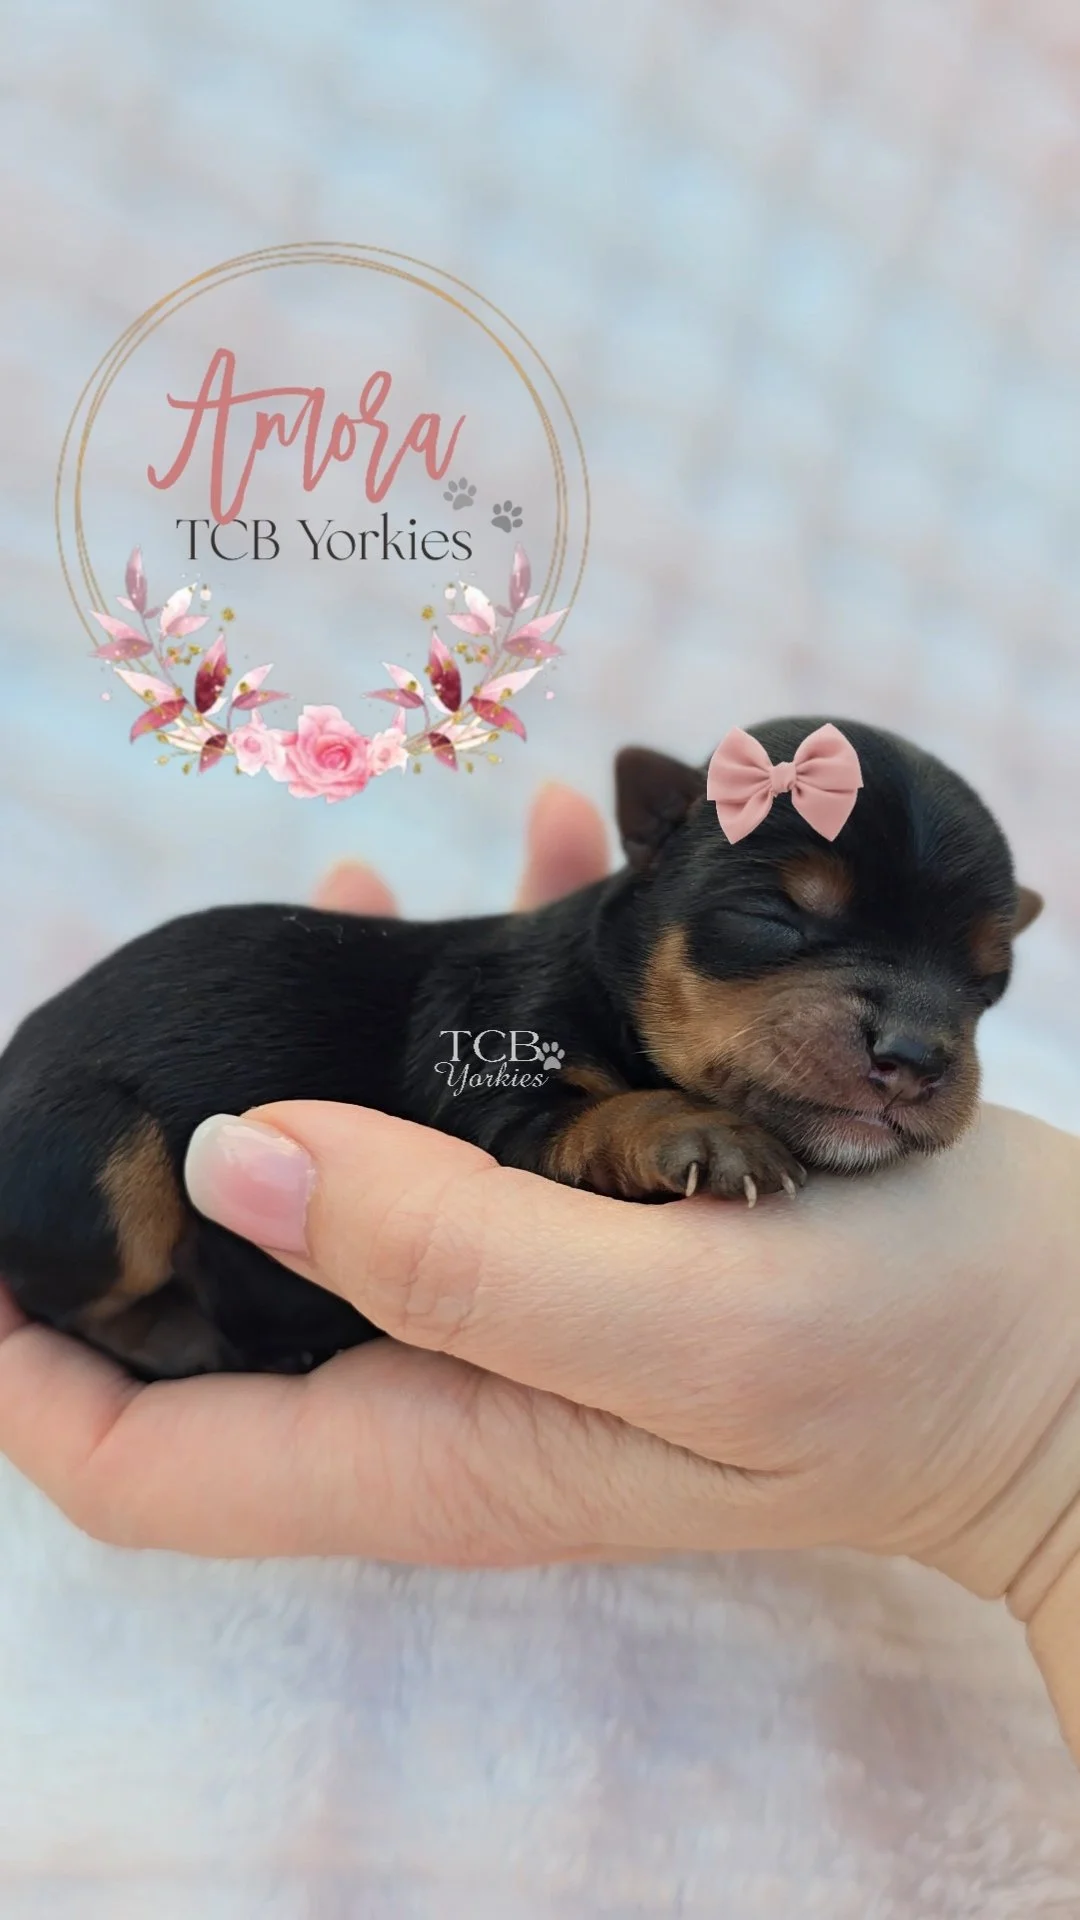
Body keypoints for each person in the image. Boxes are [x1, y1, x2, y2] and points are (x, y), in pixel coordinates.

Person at [0, 784, 1077, 1762]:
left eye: (971, 988)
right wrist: (628, 1131)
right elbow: (492, 1107)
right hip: (101, 1124)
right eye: (778, 921)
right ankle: (123, 1315)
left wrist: (1033, 1432)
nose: (918, 1038)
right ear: (657, 857)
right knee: (99, 1174)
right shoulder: (509, 1028)